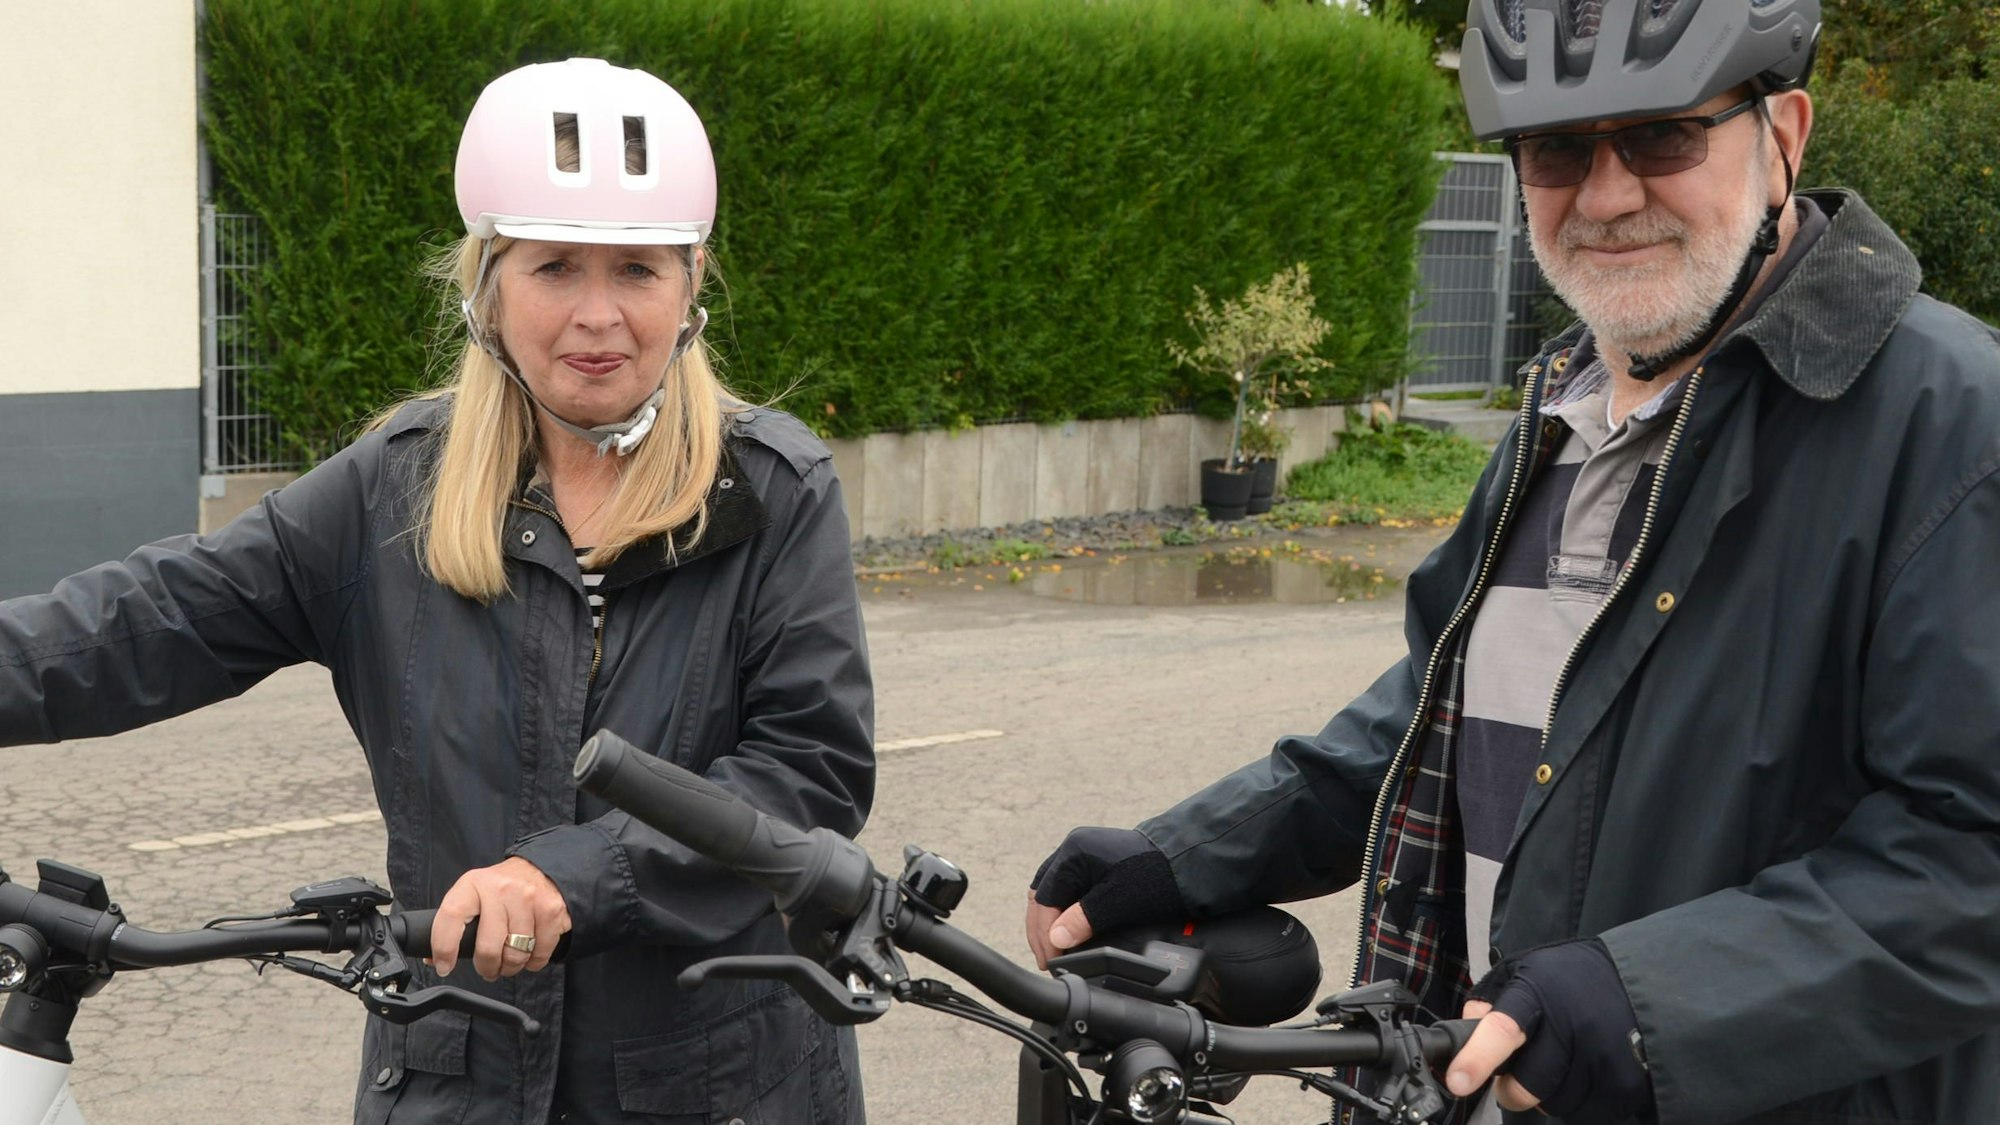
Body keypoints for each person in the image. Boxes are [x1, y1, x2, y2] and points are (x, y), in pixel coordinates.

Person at [1027, 2, 2000, 1122]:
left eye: (1659, 138)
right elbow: (1436, 717)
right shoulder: (1565, 401)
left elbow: (1968, 860)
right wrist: (1191, 851)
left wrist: (1646, 1004)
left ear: (1782, 132)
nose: (1604, 195)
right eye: (1554, 150)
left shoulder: (1951, 427)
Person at [0, 58, 872, 1124]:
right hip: (456, 1081)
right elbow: (148, 621)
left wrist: (570, 878)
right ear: (487, 287)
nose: (597, 316)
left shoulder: (772, 494)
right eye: (554, 267)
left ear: (690, 289)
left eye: (636, 271)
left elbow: (806, 772)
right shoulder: (393, 490)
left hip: (716, 1083)